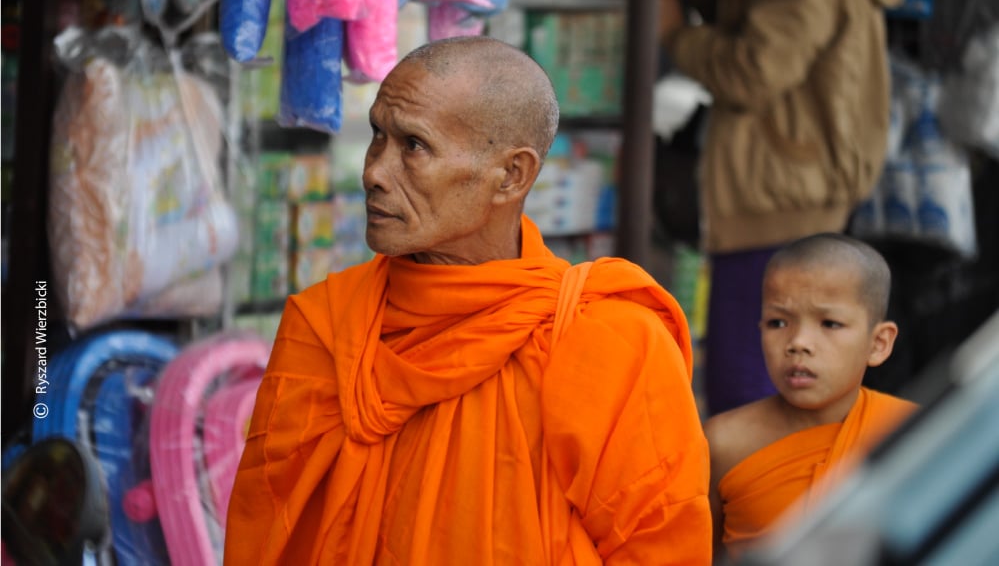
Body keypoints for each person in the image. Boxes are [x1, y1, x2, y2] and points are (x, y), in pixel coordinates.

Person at [224, 36, 712, 564]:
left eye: (413, 146)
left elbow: (660, 546)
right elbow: (265, 533)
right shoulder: (325, 326)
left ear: (511, 176)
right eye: (377, 136)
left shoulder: (607, 342)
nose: (374, 172)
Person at [658, 0, 909, 416]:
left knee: (751, 390)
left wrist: (675, 34)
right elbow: (785, 41)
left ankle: (760, 497)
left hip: (776, 192)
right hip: (799, 186)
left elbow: (755, 71)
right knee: (780, 380)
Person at [703, 233, 919, 562]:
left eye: (829, 323)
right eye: (778, 322)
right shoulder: (724, 442)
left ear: (878, 343)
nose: (799, 342)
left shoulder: (910, 432)